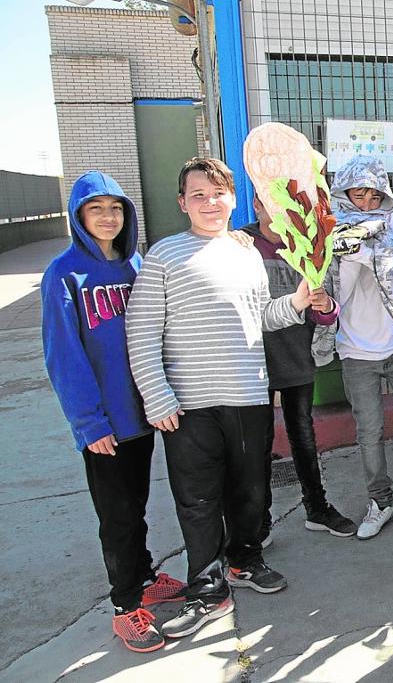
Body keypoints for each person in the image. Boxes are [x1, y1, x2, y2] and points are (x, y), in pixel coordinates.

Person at [126, 158, 329, 638]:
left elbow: (263, 315)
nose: (209, 202)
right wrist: (158, 397)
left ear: (233, 199)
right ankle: (207, 588)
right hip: (189, 405)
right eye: (198, 195)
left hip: (248, 395)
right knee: (198, 499)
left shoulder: (246, 253)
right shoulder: (164, 255)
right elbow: (140, 332)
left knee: (250, 490)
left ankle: (244, 560)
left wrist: (299, 301)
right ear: (182, 203)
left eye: (218, 193)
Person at [42, 171, 186, 653]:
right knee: (117, 516)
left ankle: (144, 576)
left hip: (140, 414)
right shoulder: (64, 274)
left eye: (116, 208)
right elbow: (64, 356)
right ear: (79, 217)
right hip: (105, 425)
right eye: (96, 209)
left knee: (137, 505)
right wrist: (88, 423)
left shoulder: (134, 265)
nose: (108, 217)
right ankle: (126, 608)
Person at [315, 156, 393, 539]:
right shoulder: (332, 228)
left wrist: (365, 248)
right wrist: (350, 252)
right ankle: (380, 502)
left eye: (374, 194)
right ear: (344, 193)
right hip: (355, 349)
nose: (367, 203)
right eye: (358, 194)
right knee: (368, 432)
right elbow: (343, 293)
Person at [243, 199, 355, 541]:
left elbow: (326, 310)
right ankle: (257, 522)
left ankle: (317, 508)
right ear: (256, 206)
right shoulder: (240, 245)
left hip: (296, 356)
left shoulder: (306, 248)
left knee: (304, 438)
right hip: (254, 361)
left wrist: (326, 307)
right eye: (268, 206)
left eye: (284, 208)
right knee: (257, 444)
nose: (277, 215)